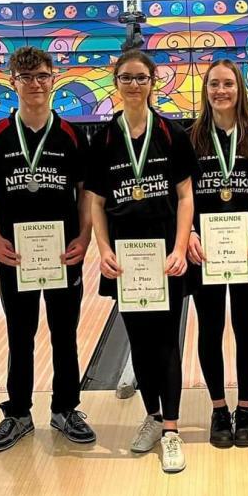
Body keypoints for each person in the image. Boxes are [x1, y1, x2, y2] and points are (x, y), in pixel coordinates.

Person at [0, 46, 95, 452]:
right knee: (19, 333)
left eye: (42, 76)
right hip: (17, 255)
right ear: (13, 83)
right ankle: (17, 413)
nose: (35, 84)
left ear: (53, 79)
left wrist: (85, 237)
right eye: (26, 78)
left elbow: (85, 194)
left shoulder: (72, 135)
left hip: (64, 255)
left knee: (65, 334)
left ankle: (65, 409)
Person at [86, 50, 197, 473]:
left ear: (153, 82)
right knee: (141, 343)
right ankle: (151, 416)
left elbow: (185, 195)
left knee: (166, 343)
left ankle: (171, 430)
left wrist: (180, 246)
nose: (134, 85)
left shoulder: (172, 133)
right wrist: (104, 249)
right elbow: (96, 202)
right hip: (127, 263)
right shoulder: (104, 139)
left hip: (165, 256)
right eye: (126, 78)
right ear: (116, 82)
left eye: (141, 78)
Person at [187, 59, 248, 448]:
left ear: (240, 90)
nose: (221, 91)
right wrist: (186, 232)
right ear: (206, 90)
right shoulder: (191, 138)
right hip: (205, 250)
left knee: (247, 326)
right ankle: (219, 407)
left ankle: (246, 407)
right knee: (211, 327)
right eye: (214, 84)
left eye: (228, 84)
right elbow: (180, 194)